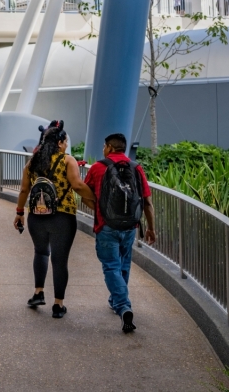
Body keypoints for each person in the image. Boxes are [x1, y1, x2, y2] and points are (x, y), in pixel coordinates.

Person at [14, 122, 95, 318]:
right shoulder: (67, 160)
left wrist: (19, 212)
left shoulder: (32, 162)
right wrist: (96, 199)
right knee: (60, 260)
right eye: (65, 141)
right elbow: (76, 185)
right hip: (63, 216)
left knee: (41, 252)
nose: (66, 144)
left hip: (37, 215)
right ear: (60, 142)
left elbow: (24, 189)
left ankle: (38, 293)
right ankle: (58, 305)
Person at [83, 133, 157, 333]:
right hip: (130, 227)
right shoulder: (136, 168)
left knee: (111, 267)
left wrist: (98, 207)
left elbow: (84, 193)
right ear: (123, 148)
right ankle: (116, 300)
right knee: (123, 264)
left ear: (108, 147)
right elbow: (147, 202)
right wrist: (150, 228)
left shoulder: (98, 167)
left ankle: (124, 306)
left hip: (106, 227)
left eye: (103, 147)